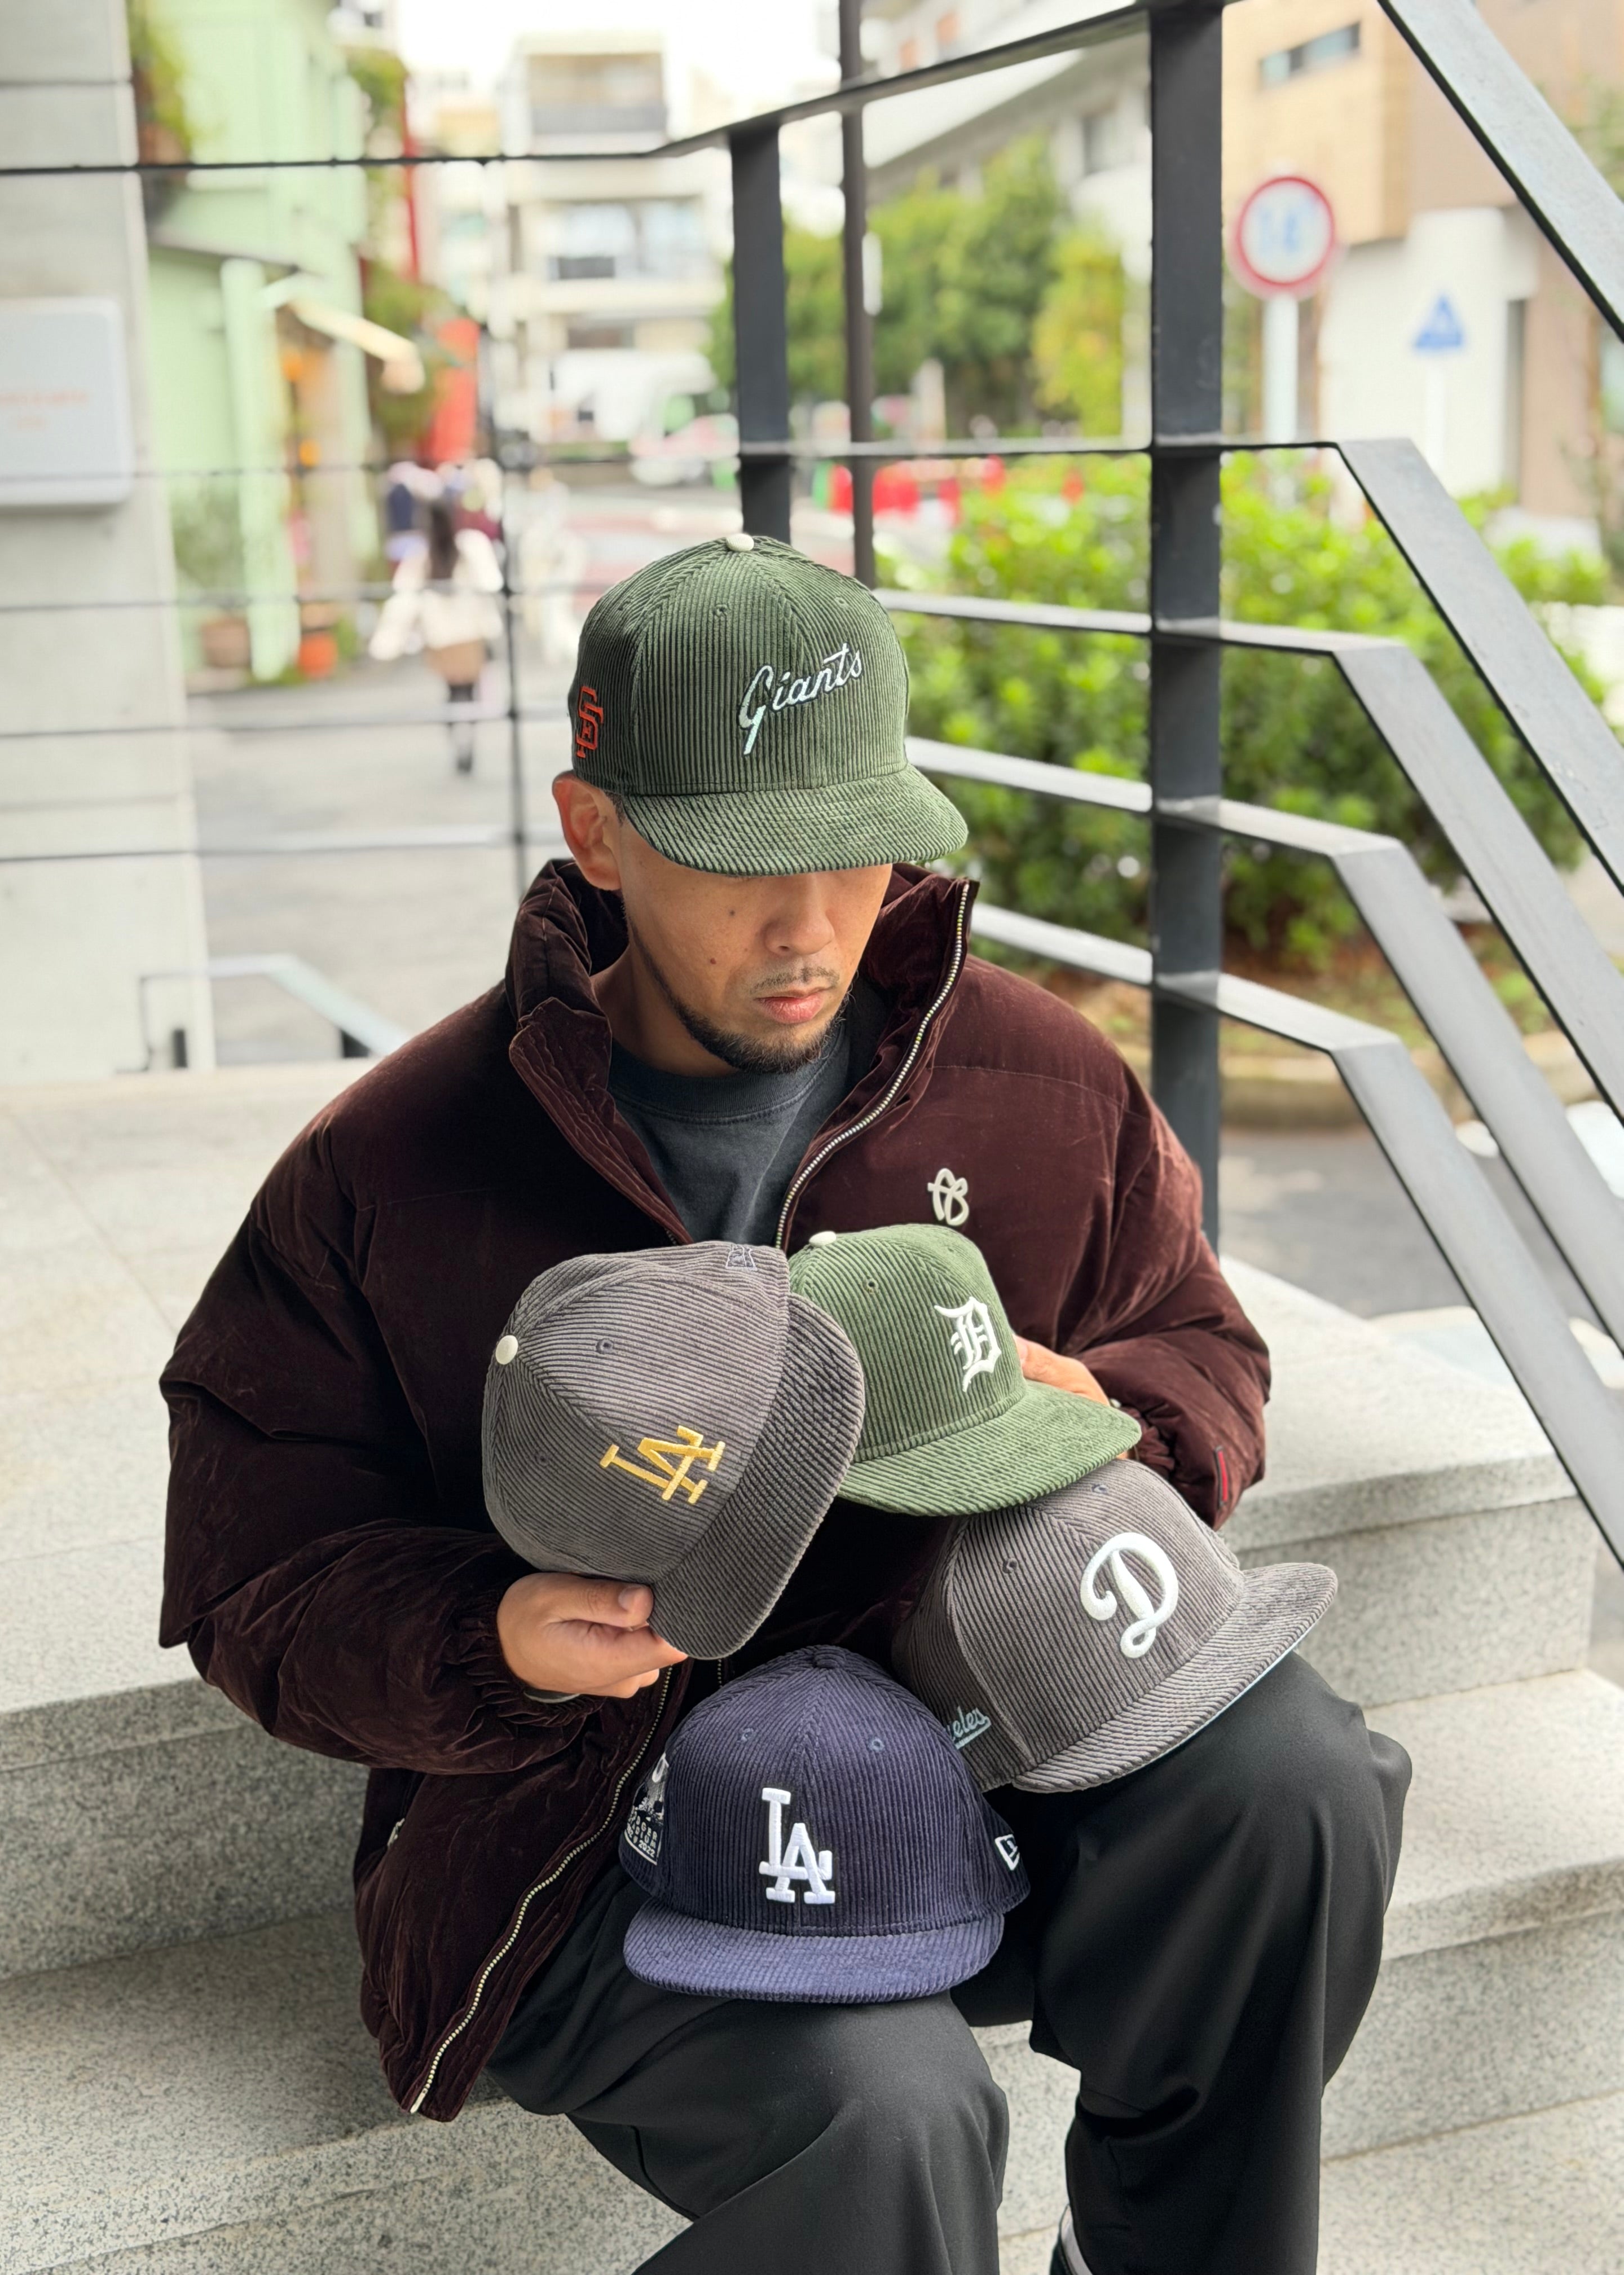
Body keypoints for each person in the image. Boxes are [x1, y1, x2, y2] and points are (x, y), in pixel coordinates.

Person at [160, 534, 1399, 2275]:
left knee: (1299, 1782)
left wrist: (1117, 1414)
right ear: (596, 832)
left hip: (985, 1739)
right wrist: (494, 1635)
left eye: (854, 845)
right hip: (606, 1818)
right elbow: (255, 1584)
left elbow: (1200, 1344)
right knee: (890, 2115)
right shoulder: (390, 1171)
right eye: (742, 860)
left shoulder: (1038, 1081)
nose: (813, 920)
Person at [368, 496, 503, 772]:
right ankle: (467, 741)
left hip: (440, 640)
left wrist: (387, 643)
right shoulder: (470, 545)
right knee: (469, 693)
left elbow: (403, 599)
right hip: (470, 636)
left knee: (453, 693)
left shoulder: (422, 554)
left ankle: (458, 740)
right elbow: (492, 584)